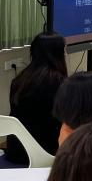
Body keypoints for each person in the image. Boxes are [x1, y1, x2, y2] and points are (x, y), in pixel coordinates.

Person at [5, 32, 67, 165]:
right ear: (56, 53)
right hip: (47, 152)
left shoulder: (20, 80)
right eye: (64, 50)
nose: (66, 53)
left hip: (16, 151)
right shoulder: (59, 82)